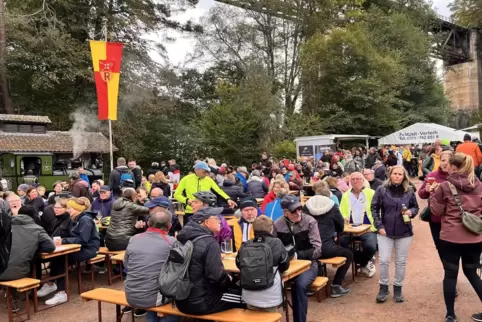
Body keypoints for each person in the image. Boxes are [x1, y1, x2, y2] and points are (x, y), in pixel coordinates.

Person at [430, 153, 482, 322]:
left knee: (450, 275)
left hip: (451, 237)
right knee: (472, 273)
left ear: (453, 166)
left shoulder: (445, 186)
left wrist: (433, 195)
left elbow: (436, 212)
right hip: (474, 237)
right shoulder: (479, 184)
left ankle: (450, 314)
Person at [175, 207, 245, 315]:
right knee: (246, 298)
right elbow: (216, 277)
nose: (220, 221)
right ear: (207, 222)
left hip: (180, 299)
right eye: (216, 218)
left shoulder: (183, 238)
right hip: (202, 302)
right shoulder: (210, 243)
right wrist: (231, 281)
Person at [38, 198, 100, 305]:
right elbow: (73, 236)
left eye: (70, 208)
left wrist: (63, 240)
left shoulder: (85, 220)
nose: (68, 210)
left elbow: (83, 240)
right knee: (58, 257)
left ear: (77, 209)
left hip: (89, 249)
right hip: (80, 248)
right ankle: (51, 284)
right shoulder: (75, 219)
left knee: (62, 259)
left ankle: (61, 292)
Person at [371, 165, 419, 303]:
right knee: (384, 260)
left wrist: (412, 212)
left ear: (404, 176)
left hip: (404, 231)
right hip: (384, 231)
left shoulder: (409, 191)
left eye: (400, 174)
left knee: (400, 262)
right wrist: (379, 225)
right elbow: (374, 208)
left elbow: (415, 207)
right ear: (390, 175)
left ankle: (398, 288)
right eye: (395, 173)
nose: (397, 176)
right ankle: (383, 287)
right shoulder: (382, 189)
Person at [124, 210, 179, 322]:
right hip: (152, 297)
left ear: (148, 223)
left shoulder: (134, 238)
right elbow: (178, 270)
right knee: (181, 305)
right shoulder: (172, 242)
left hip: (130, 294)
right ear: (169, 226)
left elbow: (127, 264)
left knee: (154, 286)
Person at [274, 195, 322, 322]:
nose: (298, 212)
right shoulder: (277, 224)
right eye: (294, 210)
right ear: (285, 212)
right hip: (286, 266)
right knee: (266, 281)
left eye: (299, 208)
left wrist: (296, 256)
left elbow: (317, 250)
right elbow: (273, 247)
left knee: (299, 285)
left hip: (309, 264)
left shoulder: (310, 221)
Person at [0, 203, 55, 312]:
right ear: (34, 216)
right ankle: (19, 295)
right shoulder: (36, 228)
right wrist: (32, 248)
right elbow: (50, 247)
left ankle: (11, 295)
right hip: (17, 272)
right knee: (22, 266)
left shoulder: (4, 225)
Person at [304, 186, 352, 297]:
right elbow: (340, 227)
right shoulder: (332, 207)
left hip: (309, 247)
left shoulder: (306, 206)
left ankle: (308, 285)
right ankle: (336, 285)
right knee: (348, 254)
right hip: (326, 248)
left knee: (311, 257)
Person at [236, 215, 290, 311]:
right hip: (271, 293)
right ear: (271, 228)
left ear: (253, 229)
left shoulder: (246, 244)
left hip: (249, 294)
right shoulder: (276, 242)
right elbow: (284, 264)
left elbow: (238, 264)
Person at [339, 172, 378, 278]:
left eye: (358, 179)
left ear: (363, 180)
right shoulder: (346, 195)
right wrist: (344, 220)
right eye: (353, 179)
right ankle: (364, 262)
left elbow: (378, 212)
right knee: (340, 244)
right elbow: (341, 212)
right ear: (350, 181)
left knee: (370, 246)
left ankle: (363, 261)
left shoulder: (371, 193)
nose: (355, 181)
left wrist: (373, 228)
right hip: (350, 229)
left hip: (368, 228)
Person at [418, 150, 453, 264]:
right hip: (436, 218)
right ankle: (448, 269)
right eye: (443, 160)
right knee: (440, 245)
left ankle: (451, 270)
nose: (445, 163)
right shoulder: (432, 176)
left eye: (449, 161)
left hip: (453, 218)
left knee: (452, 246)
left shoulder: (457, 176)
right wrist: (427, 190)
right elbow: (421, 194)